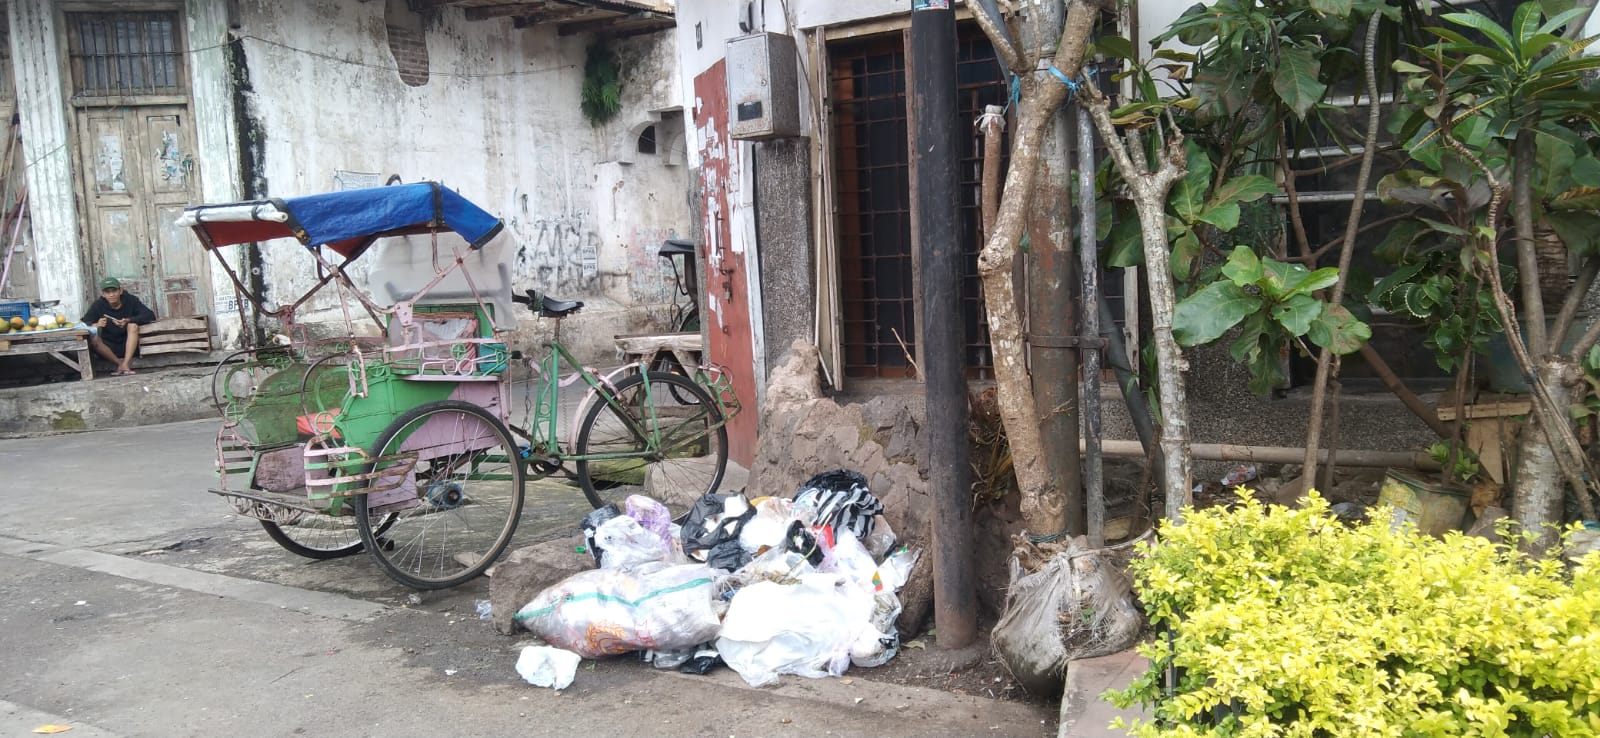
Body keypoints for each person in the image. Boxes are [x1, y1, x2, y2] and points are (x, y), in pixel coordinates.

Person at [81, 277, 156, 376]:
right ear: (103, 294)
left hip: (129, 345)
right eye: (107, 292)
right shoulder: (98, 305)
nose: (111, 295)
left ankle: (125, 362)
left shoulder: (131, 300)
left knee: (133, 326)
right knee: (94, 338)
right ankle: (121, 364)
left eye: (114, 291)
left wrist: (128, 320)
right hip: (109, 348)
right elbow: (83, 323)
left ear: (120, 291)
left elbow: (150, 315)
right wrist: (96, 324)